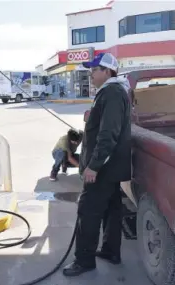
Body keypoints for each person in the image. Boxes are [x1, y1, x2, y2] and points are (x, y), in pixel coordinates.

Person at [63, 52, 132, 276]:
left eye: (94, 70)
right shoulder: (112, 91)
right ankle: (111, 251)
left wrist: (94, 166)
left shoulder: (112, 92)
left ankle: (83, 261)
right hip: (110, 168)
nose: (90, 74)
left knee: (88, 211)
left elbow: (109, 134)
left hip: (103, 169)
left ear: (107, 71)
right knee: (112, 209)